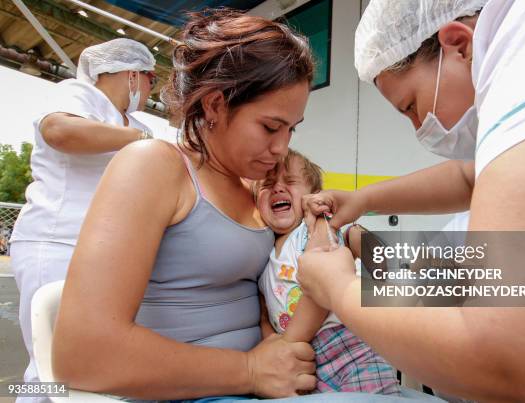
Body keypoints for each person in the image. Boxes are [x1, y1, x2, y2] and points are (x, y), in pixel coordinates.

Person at [51, 10, 440, 403]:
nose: (282, 148)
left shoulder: (254, 186)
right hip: (203, 390)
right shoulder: (153, 165)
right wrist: (250, 371)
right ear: (216, 105)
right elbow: (82, 354)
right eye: (271, 127)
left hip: (281, 380)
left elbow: (311, 259)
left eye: (292, 129)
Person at [298, 0, 525, 401]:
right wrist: (362, 201)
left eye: (411, 106)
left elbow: (522, 362)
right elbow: (470, 178)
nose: (418, 128)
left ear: (458, 44)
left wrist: (339, 290)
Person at [9, 37, 156, 401]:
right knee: (50, 364)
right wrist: (137, 138)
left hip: (100, 254)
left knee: (86, 363)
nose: (154, 87)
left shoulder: (133, 121)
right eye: (152, 77)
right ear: (132, 74)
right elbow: (60, 131)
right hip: (55, 239)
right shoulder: (78, 93)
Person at [255, 149, 401, 395]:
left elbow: (322, 284)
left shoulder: (312, 227)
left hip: (349, 343)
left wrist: (286, 343)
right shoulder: (261, 256)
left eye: (290, 181)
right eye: (268, 184)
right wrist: (272, 346)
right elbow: (263, 314)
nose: (278, 188)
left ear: (313, 197)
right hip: (304, 360)